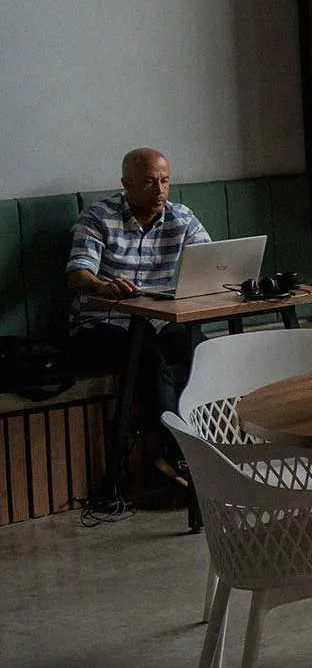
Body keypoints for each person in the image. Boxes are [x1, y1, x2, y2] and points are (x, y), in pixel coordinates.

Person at [65, 148, 211, 477]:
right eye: (149, 182)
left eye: (165, 181)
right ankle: (177, 457)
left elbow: (211, 259)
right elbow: (77, 275)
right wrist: (102, 286)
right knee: (148, 361)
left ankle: (217, 444)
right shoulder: (98, 217)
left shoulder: (181, 217)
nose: (160, 190)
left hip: (157, 320)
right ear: (126, 183)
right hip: (100, 323)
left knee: (206, 353)